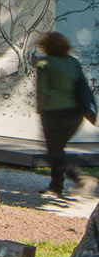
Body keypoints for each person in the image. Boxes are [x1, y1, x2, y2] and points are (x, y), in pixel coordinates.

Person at [36, 31, 95, 197]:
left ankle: (80, 179)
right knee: (58, 150)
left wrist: (40, 111)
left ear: (46, 47)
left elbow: (43, 91)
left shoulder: (44, 63)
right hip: (75, 113)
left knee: (53, 152)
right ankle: (55, 187)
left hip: (53, 113)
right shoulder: (73, 62)